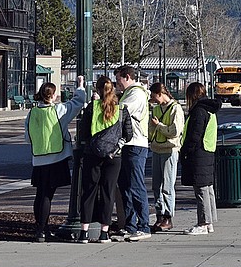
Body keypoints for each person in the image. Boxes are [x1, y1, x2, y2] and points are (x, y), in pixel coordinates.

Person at [24, 76, 87, 243]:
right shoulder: (58, 110)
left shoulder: (32, 113)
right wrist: (80, 85)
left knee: (40, 194)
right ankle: (41, 231)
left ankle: (41, 229)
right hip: (56, 157)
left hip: (38, 158)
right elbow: (78, 102)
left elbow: (27, 137)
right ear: (52, 95)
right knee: (47, 196)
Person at [78, 77, 125, 243]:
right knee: (108, 191)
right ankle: (104, 232)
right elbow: (129, 133)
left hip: (93, 154)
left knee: (89, 191)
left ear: (97, 90)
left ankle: (84, 231)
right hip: (114, 156)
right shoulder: (121, 109)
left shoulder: (92, 107)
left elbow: (83, 132)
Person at [114, 65, 152, 242]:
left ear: (127, 77)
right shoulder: (129, 93)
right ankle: (130, 226)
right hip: (128, 145)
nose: (117, 84)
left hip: (136, 144)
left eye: (119, 79)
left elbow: (119, 112)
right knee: (126, 187)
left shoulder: (136, 94)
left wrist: (105, 103)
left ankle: (144, 226)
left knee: (136, 186)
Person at [180, 81, 221, 235]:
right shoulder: (210, 109)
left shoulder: (199, 111)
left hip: (199, 153)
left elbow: (194, 134)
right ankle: (209, 221)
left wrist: (186, 150)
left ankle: (203, 223)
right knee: (208, 188)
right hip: (208, 151)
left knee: (201, 189)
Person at [148, 82, 185, 232]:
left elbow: (175, 131)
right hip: (157, 149)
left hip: (170, 150)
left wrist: (159, 126)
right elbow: (151, 128)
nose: (152, 99)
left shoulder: (176, 109)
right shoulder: (156, 108)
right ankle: (159, 215)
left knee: (167, 186)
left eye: (153, 96)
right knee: (156, 186)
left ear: (159, 94)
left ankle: (168, 217)